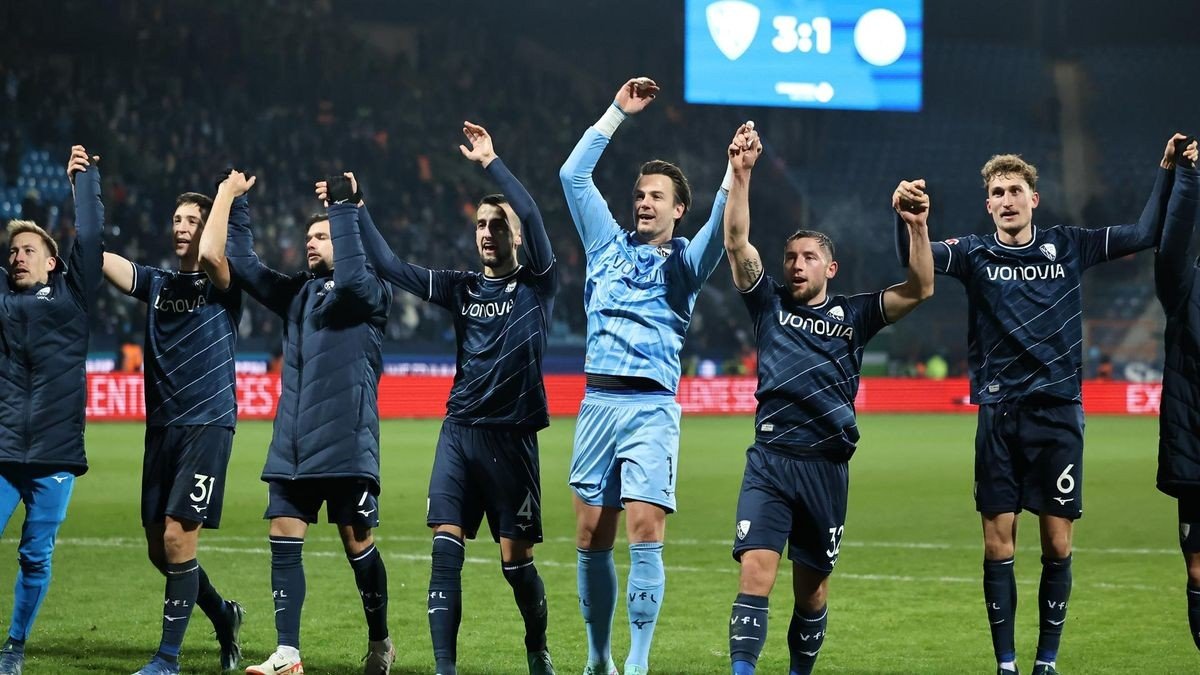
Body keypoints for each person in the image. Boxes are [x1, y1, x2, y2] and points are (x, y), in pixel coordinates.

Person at [894, 136, 1180, 675]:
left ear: (1034, 199)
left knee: (1056, 541)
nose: (1006, 200)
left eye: (1015, 191)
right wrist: (911, 222)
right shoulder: (973, 252)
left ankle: (1045, 661)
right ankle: (1006, 663)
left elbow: (1144, 233)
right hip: (999, 417)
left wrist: (1166, 172)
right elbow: (917, 264)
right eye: (997, 192)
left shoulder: (1067, 245)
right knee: (997, 542)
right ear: (988, 205)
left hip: (1057, 414)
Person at [315, 121, 557, 675]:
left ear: (516, 236)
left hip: (513, 441)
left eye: (499, 225)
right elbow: (394, 269)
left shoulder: (538, 284)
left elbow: (537, 214)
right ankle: (444, 670)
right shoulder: (461, 287)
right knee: (444, 551)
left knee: (515, 565)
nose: (489, 232)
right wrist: (355, 208)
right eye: (481, 224)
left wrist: (492, 161)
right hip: (459, 437)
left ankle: (536, 645)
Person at [721, 125, 934, 674]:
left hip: (826, 468)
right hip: (769, 461)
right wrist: (741, 173)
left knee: (812, 594)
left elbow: (919, 288)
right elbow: (737, 243)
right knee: (756, 575)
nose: (795, 264)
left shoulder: (855, 315)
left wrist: (915, 227)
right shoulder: (767, 304)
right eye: (790, 256)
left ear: (829, 268)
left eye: (808, 257)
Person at [558, 76, 730, 675]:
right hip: (597, 404)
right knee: (589, 539)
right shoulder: (605, 244)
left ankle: (637, 662)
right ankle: (599, 657)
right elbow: (572, 177)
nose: (644, 201)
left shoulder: (684, 265)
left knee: (643, 526)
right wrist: (617, 112)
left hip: (651, 409)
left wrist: (736, 172)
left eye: (657, 195)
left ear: (678, 208)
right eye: (640, 193)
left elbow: (722, 230)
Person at [214, 170, 395, 675]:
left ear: (343, 238)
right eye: (309, 236)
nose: (310, 243)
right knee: (283, 536)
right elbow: (246, 267)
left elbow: (355, 278)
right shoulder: (298, 294)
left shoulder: (370, 293)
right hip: (292, 446)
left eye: (322, 236)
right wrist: (238, 204)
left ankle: (380, 640)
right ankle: (288, 653)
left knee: (358, 547)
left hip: (345, 445)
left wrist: (343, 208)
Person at [101, 179, 248, 675]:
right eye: (177, 220)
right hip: (162, 427)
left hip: (207, 424)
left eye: (191, 221)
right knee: (157, 547)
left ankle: (167, 658)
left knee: (178, 538)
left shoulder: (224, 283)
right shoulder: (159, 283)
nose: (181, 228)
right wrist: (86, 190)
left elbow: (211, 253)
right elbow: (102, 259)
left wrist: (225, 194)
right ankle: (223, 614)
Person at [0, 145, 103, 675]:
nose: (17, 256)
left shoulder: (72, 296)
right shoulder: (1, 301)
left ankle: (13, 648)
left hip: (55, 456)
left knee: (34, 556)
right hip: (2, 452)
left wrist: (82, 182)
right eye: (11, 251)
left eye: (27, 249)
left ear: (51, 260)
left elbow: (91, 237)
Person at [1151, 134, 1200, 651]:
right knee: (1198, 567)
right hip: (1194, 451)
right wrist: (1187, 179)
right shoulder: (1186, 287)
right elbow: (1171, 247)